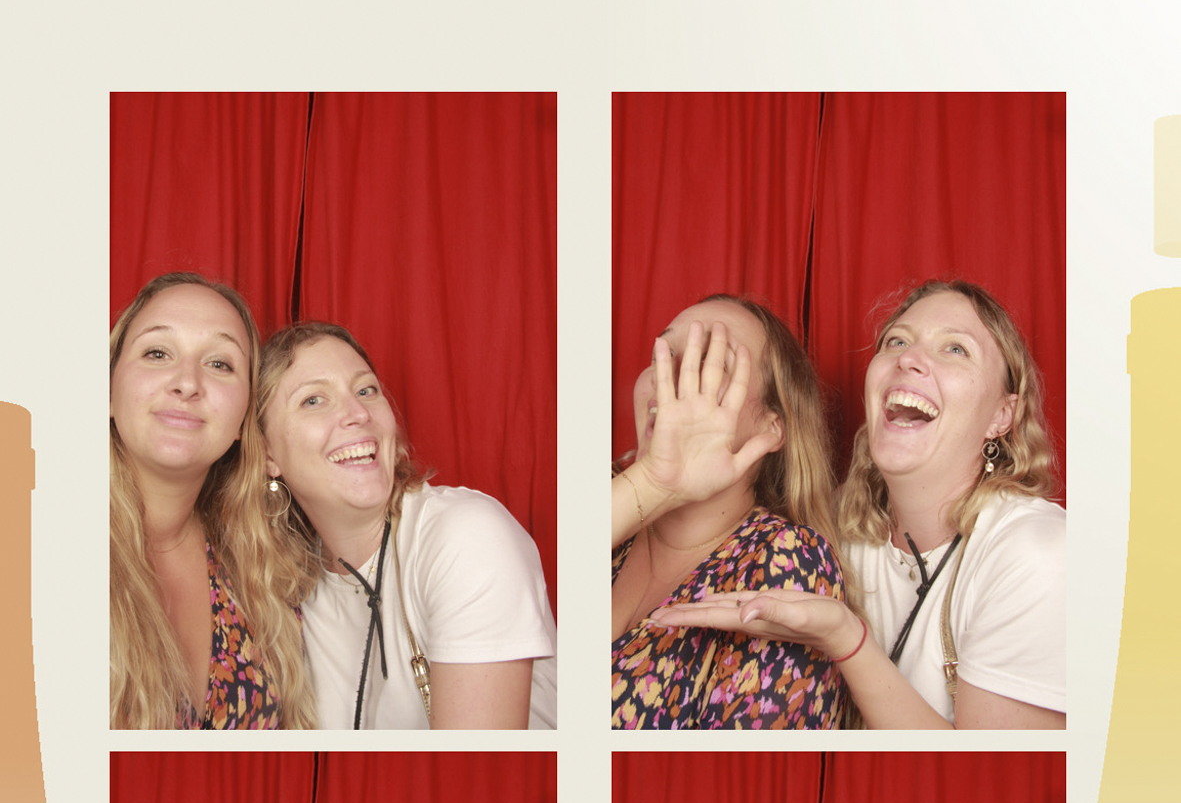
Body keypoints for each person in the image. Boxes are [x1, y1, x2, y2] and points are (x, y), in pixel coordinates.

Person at [650, 281, 1065, 729]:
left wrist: (844, 637)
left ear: (1002, 415)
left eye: (955, 349)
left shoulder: (1038, 553)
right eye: (897, 341)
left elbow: (988, 768)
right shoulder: (828, 534)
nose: (908, 358)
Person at [257, 325, 557, 730]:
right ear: (267, 455)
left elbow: (477, 763)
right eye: (314, 400)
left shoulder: (467, 536)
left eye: (366, 390)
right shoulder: (282, 588)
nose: (358, 413)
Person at [611, 297, 845, 729]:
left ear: (771, 426)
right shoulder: (609, 493)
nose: (670, 375)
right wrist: (654, 484)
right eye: (663, 353)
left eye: (711, 362)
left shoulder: (785, 559)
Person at [111, 273, 316, 729]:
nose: (187, 383)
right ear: (107, 390)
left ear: (244, 419)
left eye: (220, 364)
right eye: (157, 353)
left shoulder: (259, 567)